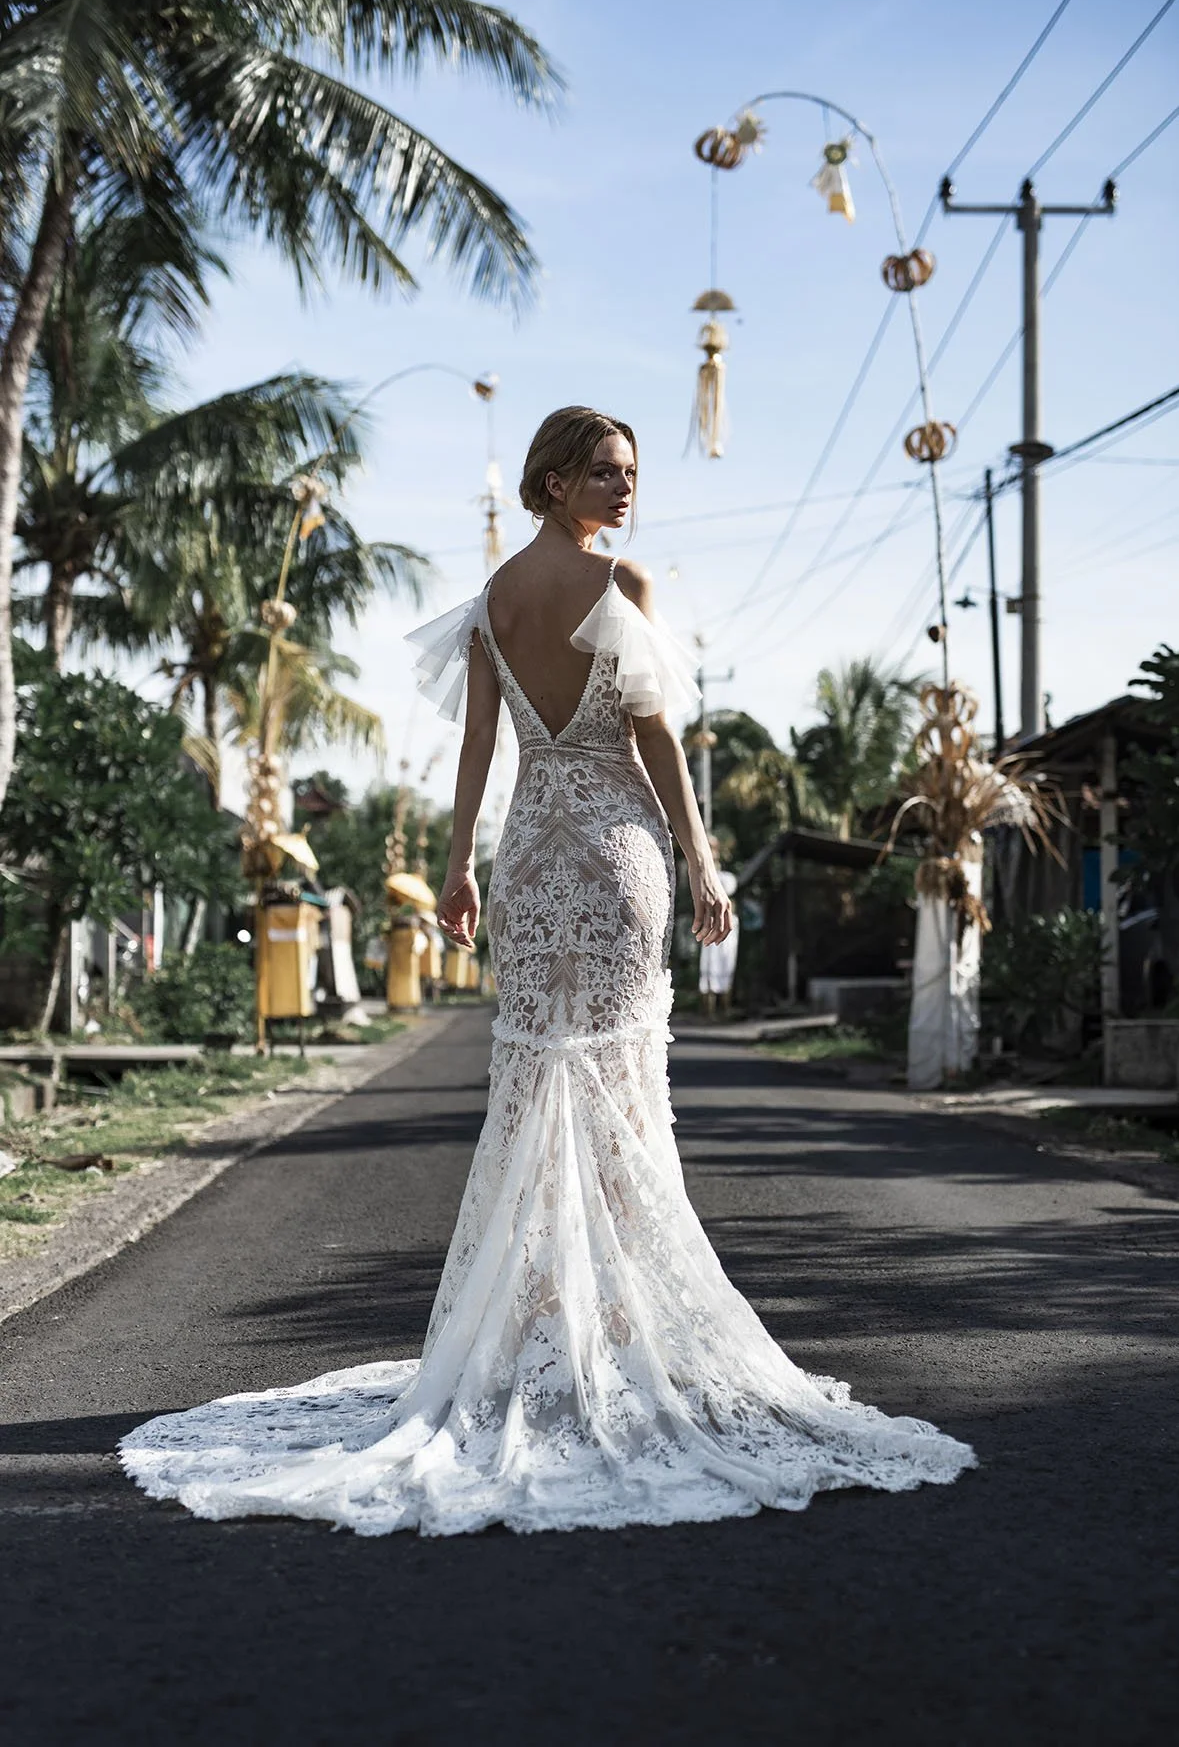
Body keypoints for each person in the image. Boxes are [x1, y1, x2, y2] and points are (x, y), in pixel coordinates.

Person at [120, 406, 975, 1534]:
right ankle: (617, 1337)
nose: (626, 490)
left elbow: (479, 747)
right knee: (614, 1086)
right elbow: (657, 739)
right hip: (617, 852)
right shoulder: (624, 586)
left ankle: (535, 1328)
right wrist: (704, 862)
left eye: (631, 472)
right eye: (606, 473)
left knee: (535, 1089)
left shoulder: (491, 604)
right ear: (555, 478)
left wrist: (459, 866)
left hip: (528, 852)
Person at [698, 833, 740, 1017]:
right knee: (709, 964)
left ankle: (725, 1010)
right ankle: (709, 1011)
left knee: (726, 963)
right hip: (710, 923)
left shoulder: (727, 877)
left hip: (727, 925)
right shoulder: (698, 872)